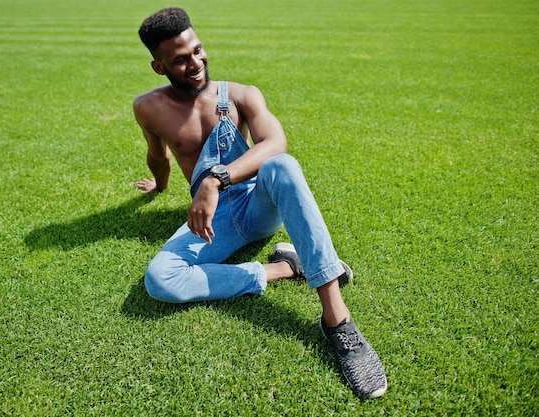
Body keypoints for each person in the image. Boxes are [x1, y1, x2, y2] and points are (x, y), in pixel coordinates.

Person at [133, 7, 387, 399]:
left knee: (282, 165)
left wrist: (215, 180)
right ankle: (287, 267)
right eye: (181, 60)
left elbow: (275, 144)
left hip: (256, 204)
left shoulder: (241, 95)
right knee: (160, 279)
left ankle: (337, 322)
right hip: (215, 221)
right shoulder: (148, 107)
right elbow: (158, 154)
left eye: (198, 51)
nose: (196, 63)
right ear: (158, 66)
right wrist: (160, 186)